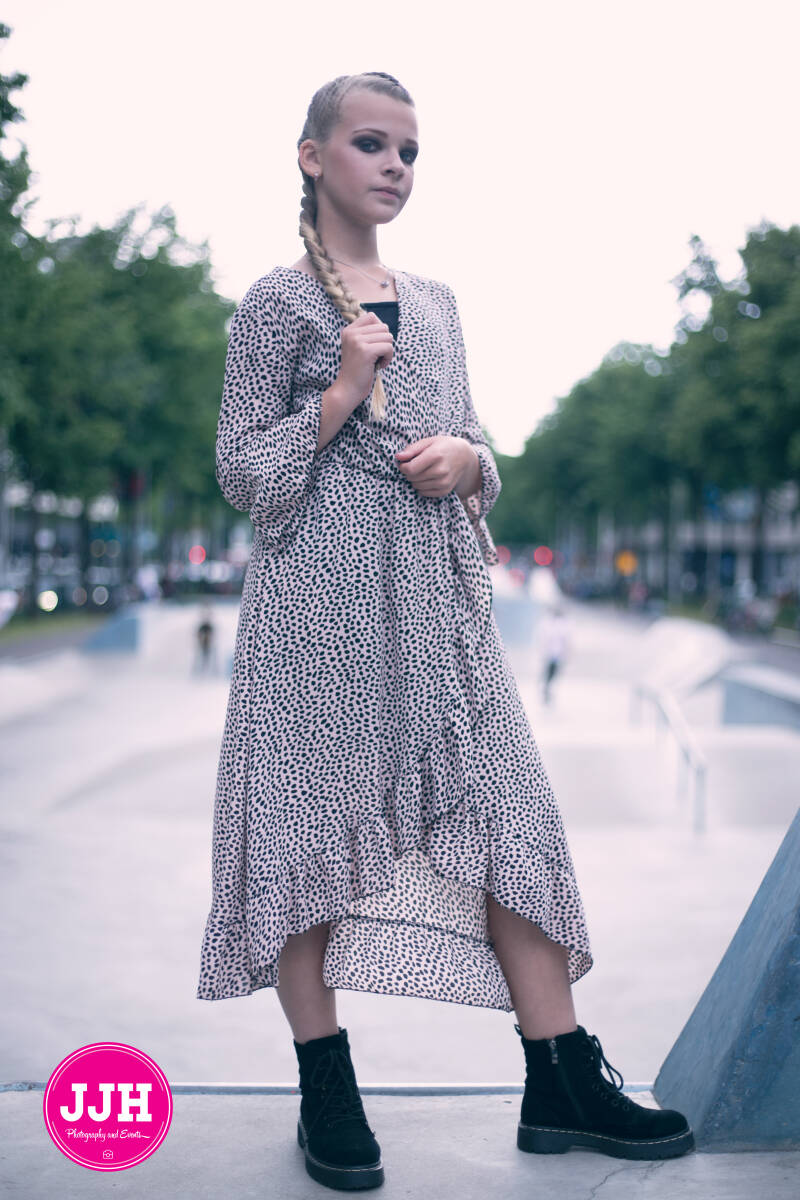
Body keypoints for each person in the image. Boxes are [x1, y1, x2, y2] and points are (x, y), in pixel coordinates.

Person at [196, 71, 693, 1190]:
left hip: (438, 610)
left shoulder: (440, 301)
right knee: (306, 836)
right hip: (318, 616)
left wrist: (472, 462)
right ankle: (326, 1086)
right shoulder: (274, 304)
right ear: (312, 156)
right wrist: (339, 392)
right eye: (371, 144)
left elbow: (473, 446)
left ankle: (559, 1077)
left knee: (510, 818)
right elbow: (243, 474)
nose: (394, 167)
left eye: (409, 151)